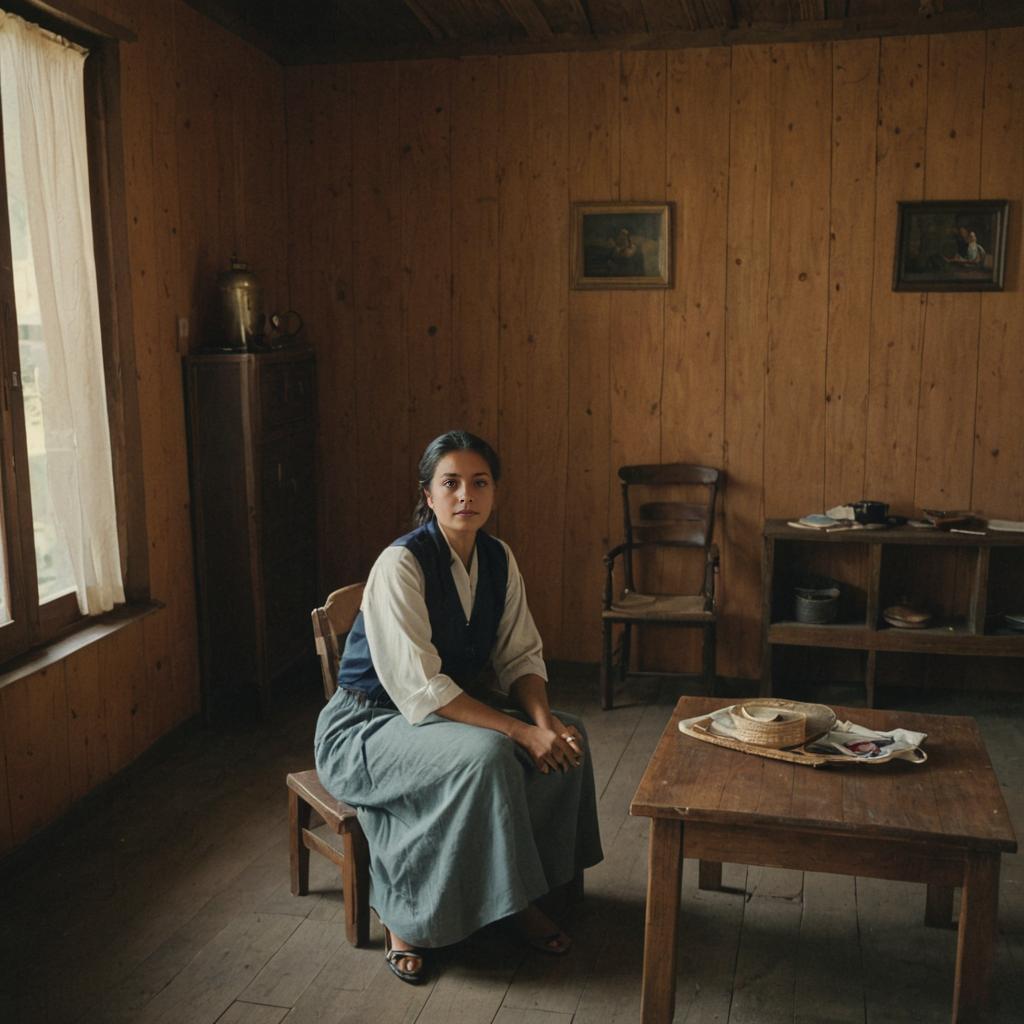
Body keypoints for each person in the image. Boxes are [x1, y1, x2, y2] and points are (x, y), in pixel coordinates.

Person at [314, 430, 603, 985]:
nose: (465, 495)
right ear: (428, 495)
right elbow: (421, 689)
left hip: (443, 713)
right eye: (450, 483)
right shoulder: (402, 564)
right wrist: (519, 735)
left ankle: (523, 889)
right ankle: (415, 916)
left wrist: (545, 724)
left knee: (573, 737)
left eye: (479, 483)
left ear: (494, 493)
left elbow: (521, 655)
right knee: (491, 755)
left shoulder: (497, 558)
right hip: (367, 725)